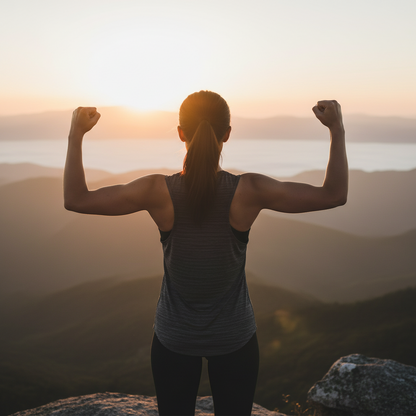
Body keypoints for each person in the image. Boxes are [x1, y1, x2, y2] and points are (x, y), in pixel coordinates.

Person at [64, 90, 348, 416]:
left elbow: (77, 199)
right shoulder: (250, 191)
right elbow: (333, 194)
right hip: (236, 340)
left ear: (180, 133)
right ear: (227, 134)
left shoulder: (157, 191)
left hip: (173, 339)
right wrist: (336, 129)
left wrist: (76, 134)